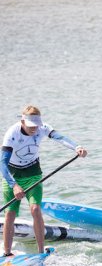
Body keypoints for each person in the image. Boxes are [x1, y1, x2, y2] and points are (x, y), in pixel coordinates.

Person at [1, 106, 88, 256]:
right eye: (31, 126)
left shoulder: (42, 128)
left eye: (36, 125)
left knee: (35, 209)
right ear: (22, 121)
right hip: (12, 175)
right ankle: (6, 253)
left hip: (33, 174)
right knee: (10, 214)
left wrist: (77, 147)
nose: (34, 129)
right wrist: (14, 185)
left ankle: (41, 252)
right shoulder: (12, 134)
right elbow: (2, 163)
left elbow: (60, 137)